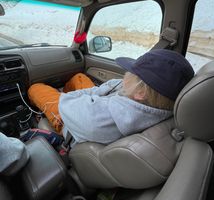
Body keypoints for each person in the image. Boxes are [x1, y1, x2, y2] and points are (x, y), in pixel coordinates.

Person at [27, 49, 194, 145]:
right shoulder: (157, 104)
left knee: (35, 88)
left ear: (140, 93)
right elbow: (114, 84)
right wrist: (93, 94)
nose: (126, 73)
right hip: (96, 105)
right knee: (79, 77)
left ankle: (46, 118)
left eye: (131, 72)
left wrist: (72, 96)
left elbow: (67, 102)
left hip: (71, 120)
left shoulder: (101, 118)